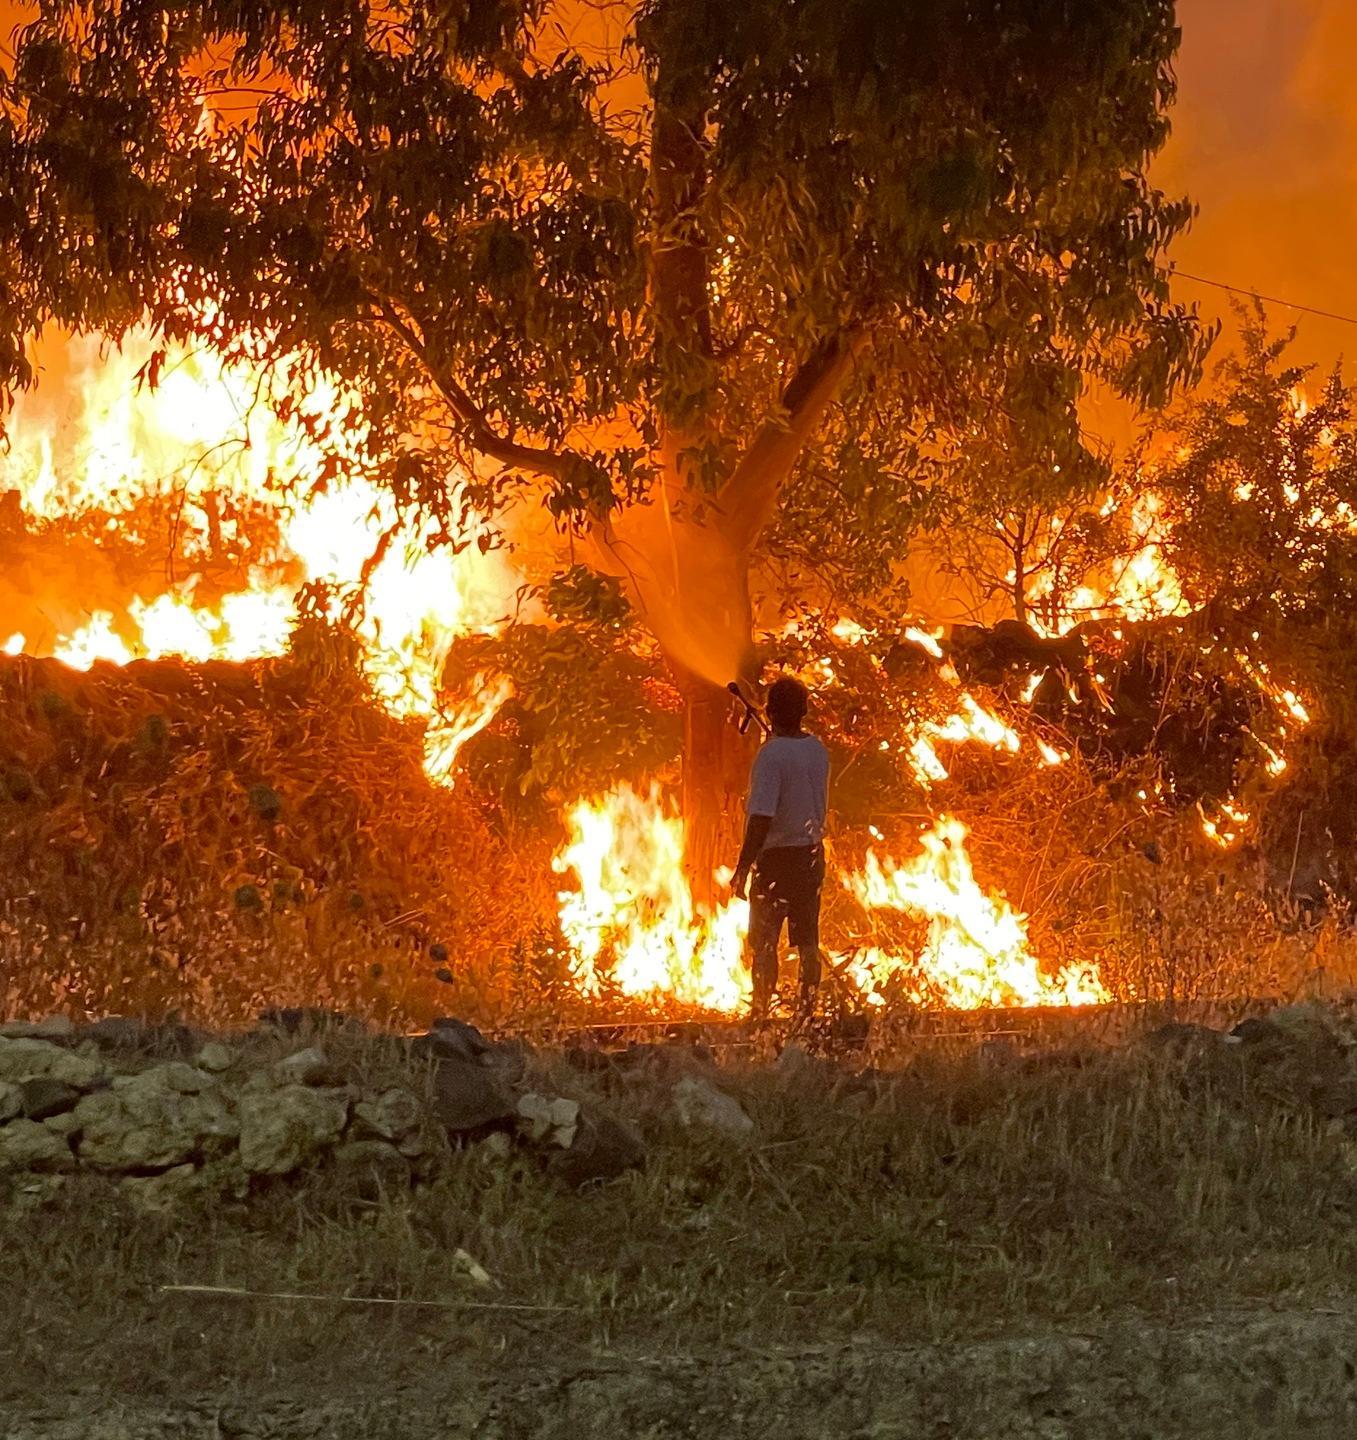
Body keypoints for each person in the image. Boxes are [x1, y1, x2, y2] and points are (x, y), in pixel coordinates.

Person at [730, 676, 830, 1019]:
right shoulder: (817, 750)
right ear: (804, 710)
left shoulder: (771, 755)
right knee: (808, 944)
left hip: (777, 858)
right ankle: (807, 1013)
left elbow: (761, 816)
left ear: (770, 711)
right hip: (812, 855)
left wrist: (743, 867)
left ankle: (761, 1012)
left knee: (764, 942)